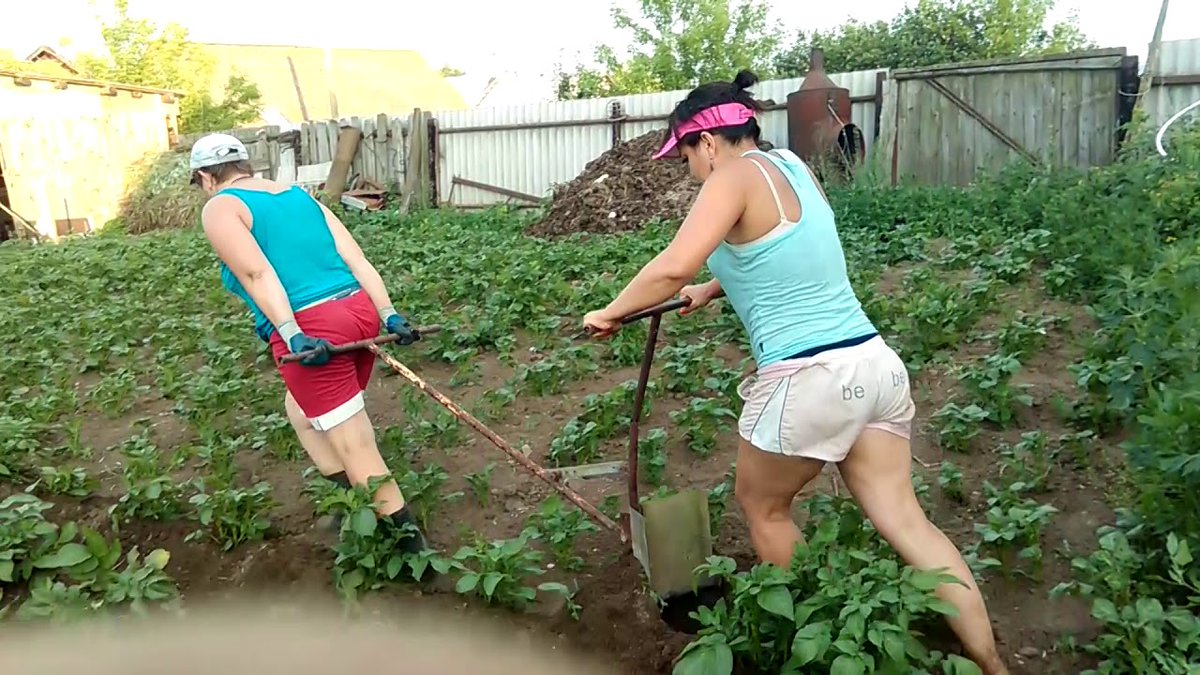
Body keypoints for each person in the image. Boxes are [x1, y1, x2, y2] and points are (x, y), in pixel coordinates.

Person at [581, 71, 1008, 674]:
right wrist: (713, 287)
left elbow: (671, 265)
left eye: (684, 154)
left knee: (762, 507)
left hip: (809, 379)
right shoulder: (794, 169)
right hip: (874, 364)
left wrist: (610, 311)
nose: (686, 168)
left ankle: (817, 643)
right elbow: (787, 255)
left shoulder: (728, 177)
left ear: (707, 142)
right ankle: (991, 664)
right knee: (910, 523)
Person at [190, 133, 427, 553]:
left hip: (315, 325)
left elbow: (257, 275)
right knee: (300, 412)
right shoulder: (300, 197)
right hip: (358, 312)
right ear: (246, 165)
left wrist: (292, 332)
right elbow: (357, 260)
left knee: (354, 442)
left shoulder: (220, 208)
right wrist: (388, 313)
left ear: (207, 177)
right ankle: (351, 500)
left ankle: (414, 552)